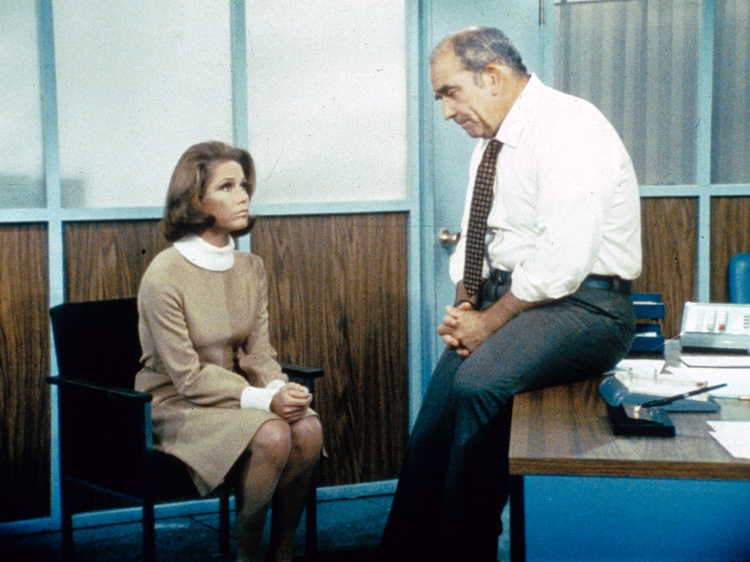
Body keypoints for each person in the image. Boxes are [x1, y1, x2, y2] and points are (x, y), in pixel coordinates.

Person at [379, 27, 641, 561]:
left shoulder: (571, 127)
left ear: (493, 76)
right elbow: (475, 237)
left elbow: (562, 261)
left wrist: (487, 323)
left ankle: (465, 549)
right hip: (516, 303)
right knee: (435, 419)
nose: (446, 112)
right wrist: (465, 306)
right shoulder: (491, 144)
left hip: (587, 308)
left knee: (479, 384)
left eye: (450, 93)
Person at [135, 141, 323, 562]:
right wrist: (265, 401)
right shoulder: (163, 275)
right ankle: (247, 555)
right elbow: (187, 377)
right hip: (176, 404)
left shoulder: (250, 268)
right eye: (226, 187)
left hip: (235, 398)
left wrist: (279, 388)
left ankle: (282, 552)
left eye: (243, 185)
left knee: (309, 428)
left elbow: (259, 353)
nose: (243, 196)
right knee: (273, 433)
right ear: (195, 199)